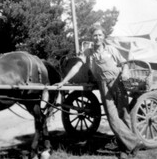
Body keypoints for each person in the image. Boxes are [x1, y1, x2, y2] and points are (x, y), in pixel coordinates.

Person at [56, 24, 144, 159]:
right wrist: (63, 81)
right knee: (113, 118)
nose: (97, 38)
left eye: (100, 35)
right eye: (95, 35)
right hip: (103, 86)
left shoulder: (111, 49)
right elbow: (77, 67)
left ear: (104, 37)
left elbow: (124, 63)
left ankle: (125, 150)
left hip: (117, 83)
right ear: (92, 38)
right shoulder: (88, 53)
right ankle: (135, 142)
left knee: (124, 114)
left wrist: (125, 71)